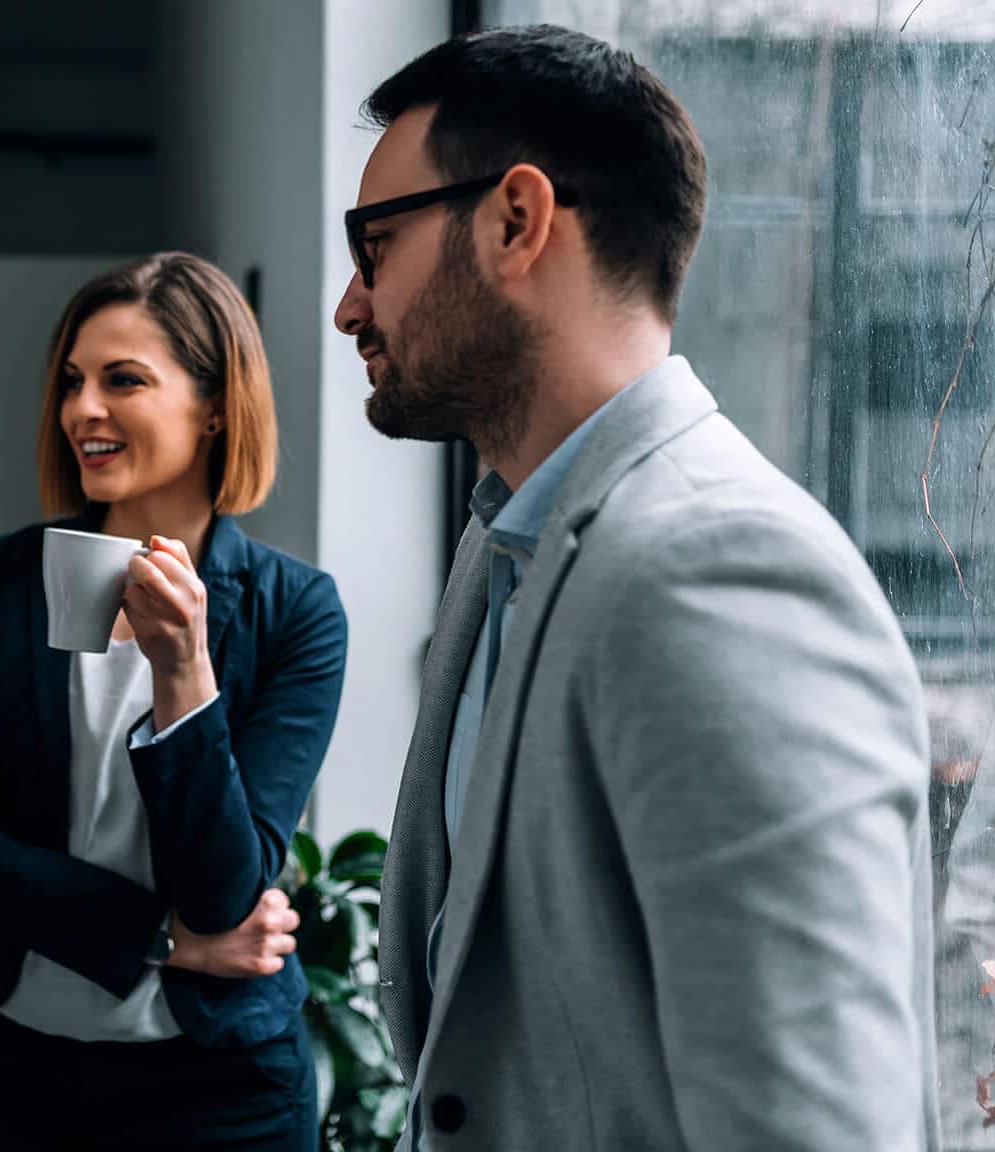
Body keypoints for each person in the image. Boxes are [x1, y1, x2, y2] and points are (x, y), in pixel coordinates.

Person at [335, 25, 938, 1151]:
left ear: (514, 222)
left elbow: (810, 1125)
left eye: (373, 246)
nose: (348, 307)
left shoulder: (721, 572)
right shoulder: (501, 539)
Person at [0, 252, 348, 1150]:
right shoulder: (3, 584)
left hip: (227, 1090)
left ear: (217, 405)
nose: (83, 410)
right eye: (73, 382)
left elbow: (227, 894)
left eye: (124, 381)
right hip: (20, 1076)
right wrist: (158, 935)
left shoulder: (294, 611)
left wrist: (183, 666)